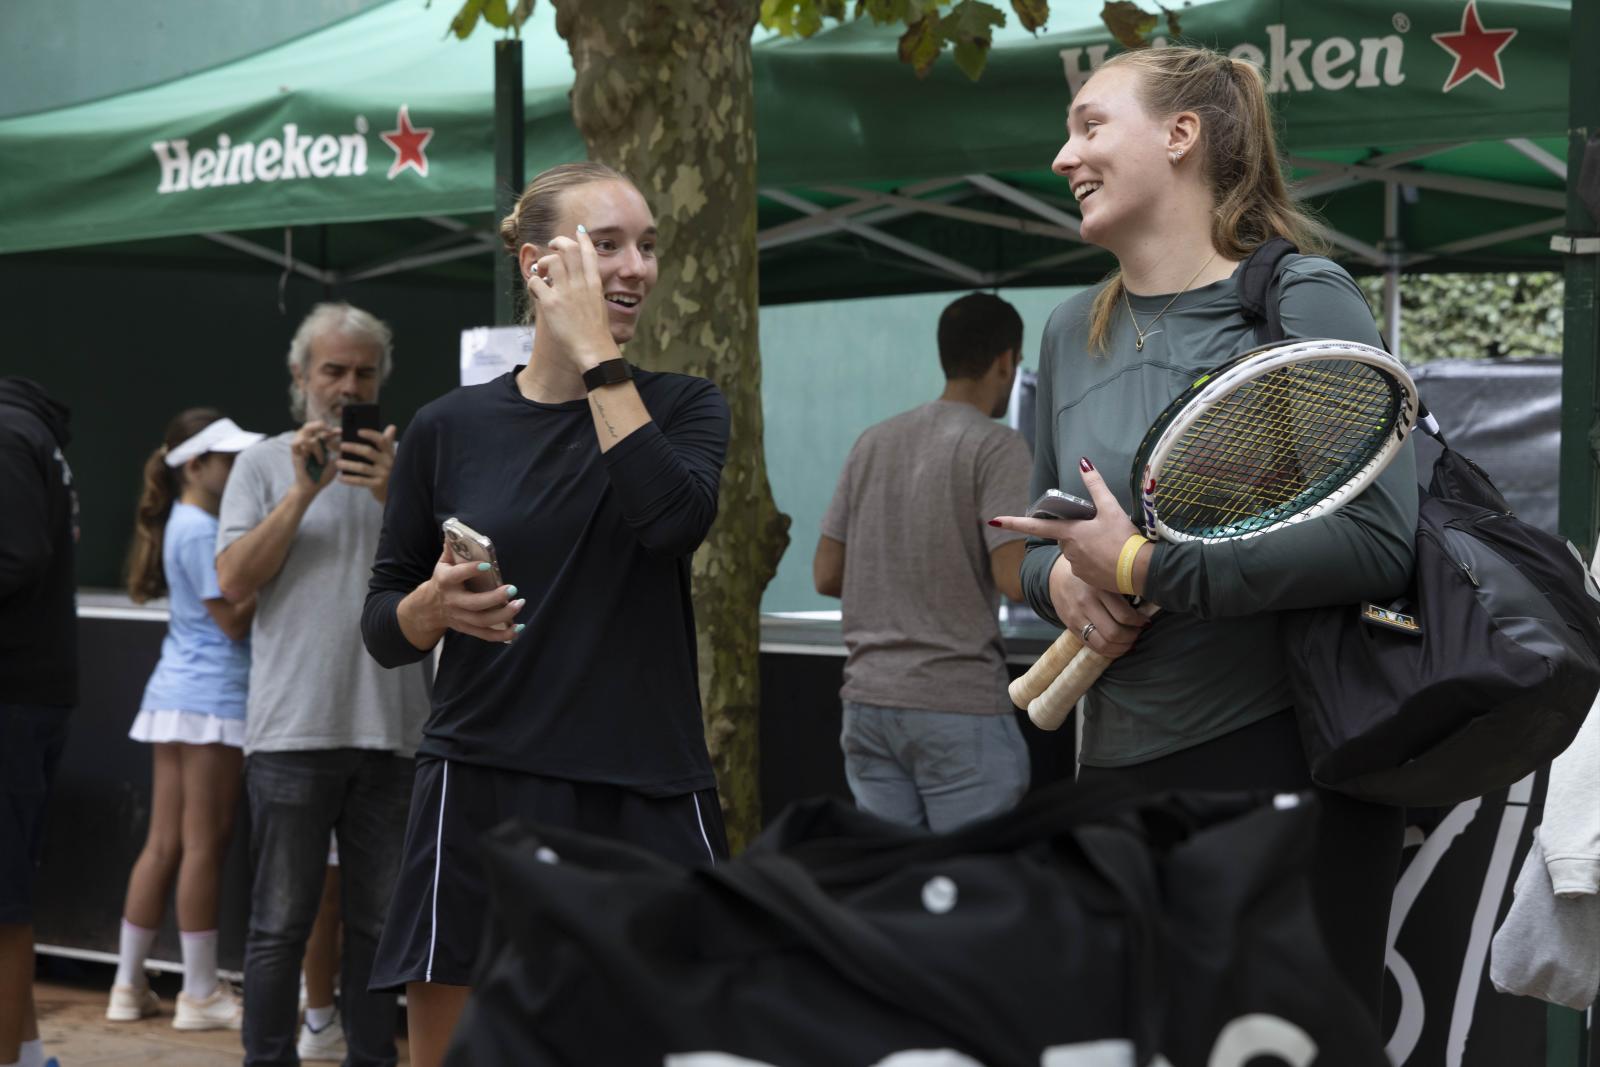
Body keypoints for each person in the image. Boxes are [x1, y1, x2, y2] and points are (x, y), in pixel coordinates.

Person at [988, 46, 1417, 1020]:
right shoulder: (1066, 330)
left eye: (1091, 125)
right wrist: (1060, 582)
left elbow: (1379, 544)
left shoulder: (1300, 297)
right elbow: (1031, 542)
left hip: (1283, 762)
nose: (1063, 155)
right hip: (1107, 774)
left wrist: (1145, 564)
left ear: (1181, 135)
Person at [362, 161, 730, 1067]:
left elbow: (669, 522)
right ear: (538, 268)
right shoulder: (448, 427)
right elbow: (380, 623)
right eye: (607, 244)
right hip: (480, 776)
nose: (637, 266)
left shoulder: (684, 404)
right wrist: (432, 605)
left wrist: (601, 360)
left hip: (645, 782)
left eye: (647, 245)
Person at [216, 303, 430, 1067]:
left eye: (363, 373)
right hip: (293, 730)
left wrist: (392, 494)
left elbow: (455, 577)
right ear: (300, 377)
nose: (347, 386)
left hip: (394, 730)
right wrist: (303, 493)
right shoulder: (262, 463)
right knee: (278, 925)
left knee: (379, 928)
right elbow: (233, 582)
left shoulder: (413, 464)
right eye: (332, 370)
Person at [812, 292, 1033, 832]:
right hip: (956, 708)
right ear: (1006, 361)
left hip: (867, 708)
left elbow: (826, 575)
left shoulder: (872, 442)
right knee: (973, 894)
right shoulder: (998, 447)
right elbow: (1014, 580)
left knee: (897, 893)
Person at [106, 410, 262, 1031]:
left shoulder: (186, 522)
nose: (238, 469)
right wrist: (277, 569)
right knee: (201, 844)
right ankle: (198, 993)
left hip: (177, 695)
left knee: (166, 843)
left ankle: (126, 985)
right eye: (227, 460)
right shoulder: (200, 529)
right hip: (210, 702)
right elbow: (233, 619)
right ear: (195, 467)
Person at [0, 378, 77, 1067]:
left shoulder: (8, 432)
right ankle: (24, 1053)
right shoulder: (32, 433)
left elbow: (16, 555)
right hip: (32, 690)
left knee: (4, 898)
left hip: (14, 693)